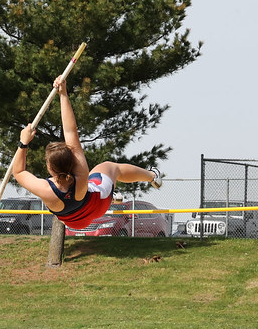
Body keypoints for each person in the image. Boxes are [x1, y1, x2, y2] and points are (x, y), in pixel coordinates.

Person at [12, 75, 162, 231]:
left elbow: (18, 172)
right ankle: (152, 176)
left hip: (75, 223)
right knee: (110, 167)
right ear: (71, 162)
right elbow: (70, 131)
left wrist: (23, 142)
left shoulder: (46, 190)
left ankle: (114, 194)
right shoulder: (81, 175)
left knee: (96, 181)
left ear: (49, 167)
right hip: (98, 205)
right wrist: (63, 94)